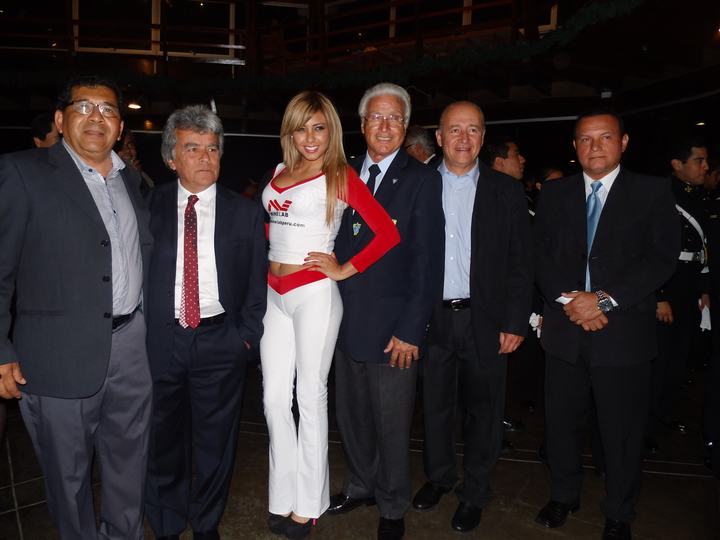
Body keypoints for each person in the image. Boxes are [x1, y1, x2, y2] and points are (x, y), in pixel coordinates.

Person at [0, 75, 153, 539]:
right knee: (67, 477)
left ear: (120, 127)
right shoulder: (21, 172)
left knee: (129, 465)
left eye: (107, 110)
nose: (96, 117)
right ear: (60, 119)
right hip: (56, 354)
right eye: (84, 107)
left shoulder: (132, 181)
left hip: (131, 346)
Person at [534, 108, 679, 540]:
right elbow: (537, 253)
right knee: (562, 425)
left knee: (622, 432)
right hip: (564, 331)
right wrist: (571, 302)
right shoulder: (554, 193)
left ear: (624, 142)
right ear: (574, 146)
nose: (594, 146)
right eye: (585, 139)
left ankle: (619, 511)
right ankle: (564, 495)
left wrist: (601, 300)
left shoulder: (652, 191)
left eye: (605, 137)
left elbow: (661, 258)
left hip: (623, 334)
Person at [260, 91, 399, 539]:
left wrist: (344, 268)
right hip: (274, 296)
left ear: (331, 131)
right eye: (301, 128)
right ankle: (282, 497)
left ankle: (309, 504)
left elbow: (386, 233)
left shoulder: (339, 175)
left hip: (314, 295)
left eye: (319, 128)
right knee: (274, 399)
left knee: (310, 396)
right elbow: (273, 227)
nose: (310, 137)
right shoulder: (279, 171)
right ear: (290, 132)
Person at [143, 105, 267, 540]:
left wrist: (245, 338)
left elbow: (257, 284)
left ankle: (207, 523)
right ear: (171, 158)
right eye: (192, 148)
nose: (205, 157)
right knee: (162, 441)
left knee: (216, 444)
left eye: (212, 148)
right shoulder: (148, 206)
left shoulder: (245, 212)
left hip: (221, 341)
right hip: (162, 341)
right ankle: (166, 522)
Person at [327, 82, 444, 540]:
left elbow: (426, 261)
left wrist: (412, 329)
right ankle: (361, 485)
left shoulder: (421, 179)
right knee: (351, 417)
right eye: (376, 117)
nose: (385, 125)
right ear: (361, 124)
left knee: (392, 424)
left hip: (394, 329)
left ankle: (392, 504)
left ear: (405, 126)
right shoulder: (341, 172)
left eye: (395, 118)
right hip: (342, 321)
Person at [411, 101, 533, 533]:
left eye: (473, 130)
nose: (464, 138)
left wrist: (515, 322)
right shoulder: (418, 184)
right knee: (435, 406)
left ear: (483, 137)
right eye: (454, 130)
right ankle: (439, 477)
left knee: (484, 410)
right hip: (433, 319)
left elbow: (521, 262)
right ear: (439, 137)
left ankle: (476, 491)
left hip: (486, 320)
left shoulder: (506, 190)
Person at [651, 137, 710, 448]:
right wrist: (659, 294)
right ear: (677, 164)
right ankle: (645, 424)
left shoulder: (700, 197)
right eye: (699, 160)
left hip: (688, 284)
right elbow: (651, 248)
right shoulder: (662, 195)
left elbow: (703, 247)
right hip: (668, 284)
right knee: (658, 359)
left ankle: (663, 413)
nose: (705, 167)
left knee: (678, 357)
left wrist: (704, 289)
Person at [116, 130, 155, 195]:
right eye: (120, 147)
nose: (127, 150)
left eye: (130, 145)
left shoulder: (144, 176)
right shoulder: (110, 179)